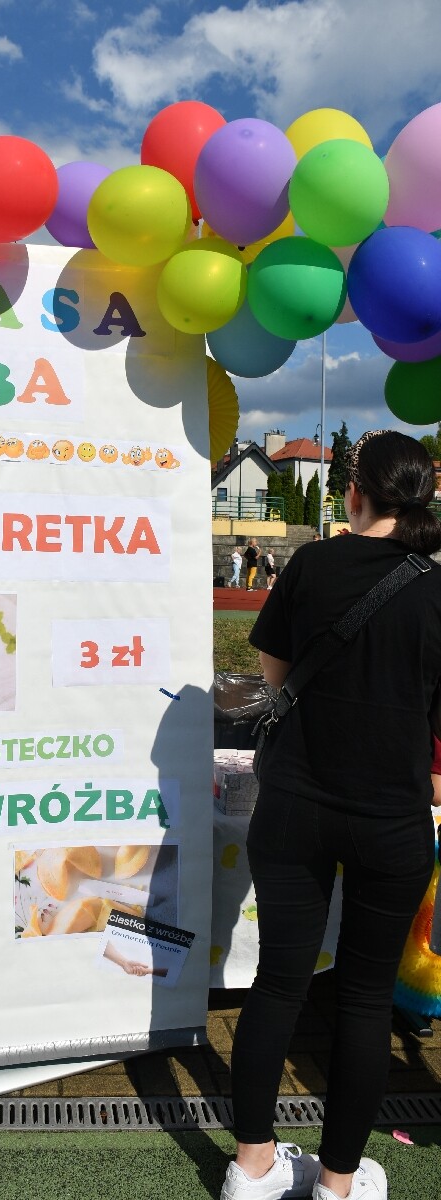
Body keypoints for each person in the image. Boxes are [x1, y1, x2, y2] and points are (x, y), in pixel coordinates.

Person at [221, 431, 441, 1200]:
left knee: (278, 984)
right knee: (364, 999)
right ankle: (338, 1183)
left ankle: (251, 1167)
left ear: (356, 491)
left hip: (294, 805)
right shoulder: (436, 589)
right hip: (391, 818)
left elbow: (274, 675)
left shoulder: (312, 565)